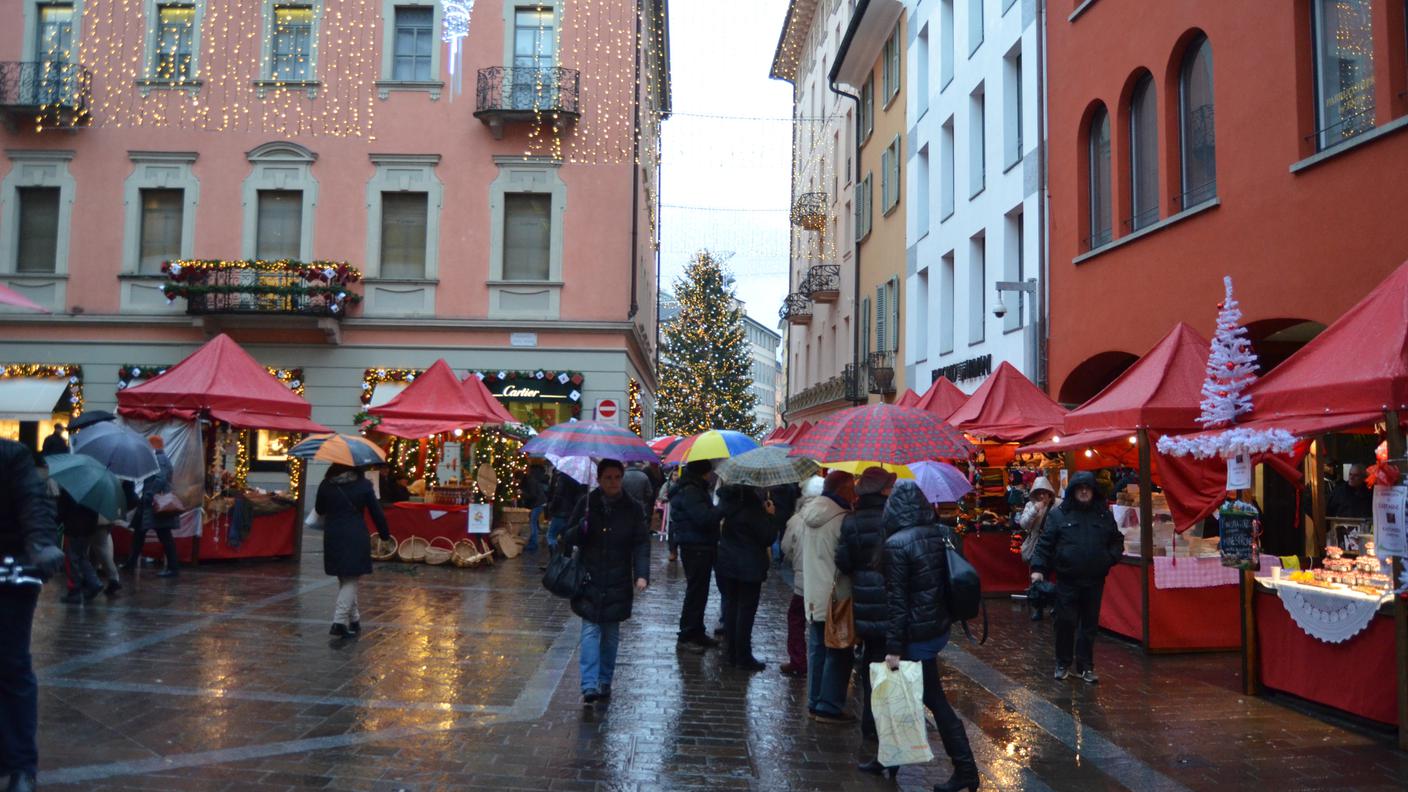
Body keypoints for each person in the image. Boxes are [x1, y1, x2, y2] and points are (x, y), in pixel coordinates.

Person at [880, 481, 978, 790]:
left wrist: (893, 648)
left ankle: (966, 771)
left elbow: (898, 601)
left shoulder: (897, 544)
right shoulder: (942, 534)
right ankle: (890, 760)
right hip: (936, 627)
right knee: (906, 695)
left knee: (932, 699)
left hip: (914, 634)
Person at [1, 439, 65, 792]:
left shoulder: (11, 456)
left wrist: (40, 544)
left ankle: (22, 766)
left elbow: (33, 503)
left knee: (11, 664)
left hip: (10, 570)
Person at [561, 459, 650, 704]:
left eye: (617, 477)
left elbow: (641, 542)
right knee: (590, 629)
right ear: (599, 479)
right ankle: (588, 684)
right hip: (590, 577)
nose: (613, 482)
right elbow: (567, 538)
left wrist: (641, 574)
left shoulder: (632, 508)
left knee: (610, 633)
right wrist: (582, 526)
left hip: (618, 579)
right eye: (608, 478)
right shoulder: (587, 504)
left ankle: (604, 680)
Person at [1030, 471, 1123, 683]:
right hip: (1067, 579)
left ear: (1093, 491)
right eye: (1080, 488)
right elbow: (1045, 544)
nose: (1083, 491)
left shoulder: (1103, 515)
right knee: (1065, 623)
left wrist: (1109, 558)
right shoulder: (1059, 515)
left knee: (1089, 626)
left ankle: (1085, 666)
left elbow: (1116, 540)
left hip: (1094, 579)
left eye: (1087, 488)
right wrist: (1038, 569)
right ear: (1073, 491)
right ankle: (1062, 663)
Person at [835, 467, 895, 747]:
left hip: (864, 602)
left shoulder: (851, 521)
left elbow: (843, 562)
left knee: (872, 661)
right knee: (894, 662)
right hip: (892, 601)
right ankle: (890, 721)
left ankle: (870, 724)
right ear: (883, 489)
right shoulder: (894, 519)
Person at [797, 469, 857, 723]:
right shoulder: (841, 519)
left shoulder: (809, 514)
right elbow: (846, 560)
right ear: (842, 489)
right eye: (851, 486)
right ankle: (829, 705)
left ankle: (815, 699)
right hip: (837, 593)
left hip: (813, 592)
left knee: (818, 648)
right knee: (839, 649)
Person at [316, 464, 391, 638]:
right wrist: (384, 534)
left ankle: (354, 619)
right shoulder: (363, 485)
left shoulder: (326, 484)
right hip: (354, 534)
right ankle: (339, 622)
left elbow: (320, 509)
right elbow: (376, 512)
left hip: (333, 533)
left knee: (345, 577)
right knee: (351, 578)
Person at [714, 483, 781, 670]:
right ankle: (742, 656)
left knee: (732, 608)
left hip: (727, 563)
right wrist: (770, 515)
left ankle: (732, 653)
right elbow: (767, 536)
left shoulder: (728, 504)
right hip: (748, 567)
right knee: (745, 612)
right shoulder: (752, 507)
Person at [669, 460, 723, 649]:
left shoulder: (691, 488)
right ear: (703, 473)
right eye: (709, 472)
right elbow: (704, 519)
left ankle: (697, 631)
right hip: (696, 546)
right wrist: (720, 508)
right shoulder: (692, 491)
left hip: (698, 545)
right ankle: (687, 635)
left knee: (700, 592)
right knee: (695, 592)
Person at [779, 476, 823, 677]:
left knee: (796, 619)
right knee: (823, 623)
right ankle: (823, 662)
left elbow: (786, 548)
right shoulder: (841, 516)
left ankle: (798, 660)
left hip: (802, 581)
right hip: (827, 581)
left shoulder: (797, 519)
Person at [123, 436, 180, 577]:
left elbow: (160, 479)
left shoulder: (160, 459)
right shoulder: (160, 459)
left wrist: (149, 494)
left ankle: (173, 568)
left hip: (154, 503)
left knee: (164, 535)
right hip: (150, 503)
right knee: (139, 533)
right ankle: (131, 562)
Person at [1018, 476, 1059, 621]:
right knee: (1037, 577)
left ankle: (1056, 606)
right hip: (1037, 545)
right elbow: (1023, 524)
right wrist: (1035, 509)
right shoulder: (1031, 506)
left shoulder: (1057, 505)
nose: (1042, 496)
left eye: (1045, 492)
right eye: (1039, 492)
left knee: (1057, 576)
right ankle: (1038, 607)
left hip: (1055, 546)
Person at [57, 489, 104, 603]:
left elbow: (62, 511)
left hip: (74, 527)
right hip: (89, 528)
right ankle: (94, 583)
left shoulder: (69, 488)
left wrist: (56, 521)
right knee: (82, 556)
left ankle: (75, 590)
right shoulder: (94, 488)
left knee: (72, 559)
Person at [545, 467, 587, 550]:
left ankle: (554, 557)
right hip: (572, 513)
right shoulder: (580, 479)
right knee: (567, 537)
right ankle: (566, 558)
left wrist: (551, 508)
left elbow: (558, 495)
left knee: (551, 535)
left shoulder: (563, 477)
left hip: (560, 512)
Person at [519, 464, 547, 553]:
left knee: (533, 523)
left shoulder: (529, 481)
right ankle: (532, 541)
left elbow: (533, 496)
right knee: (534, 523)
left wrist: (522, 493)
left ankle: (533, 544)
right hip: (538, 503)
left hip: (537, 504)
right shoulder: (529, 479)